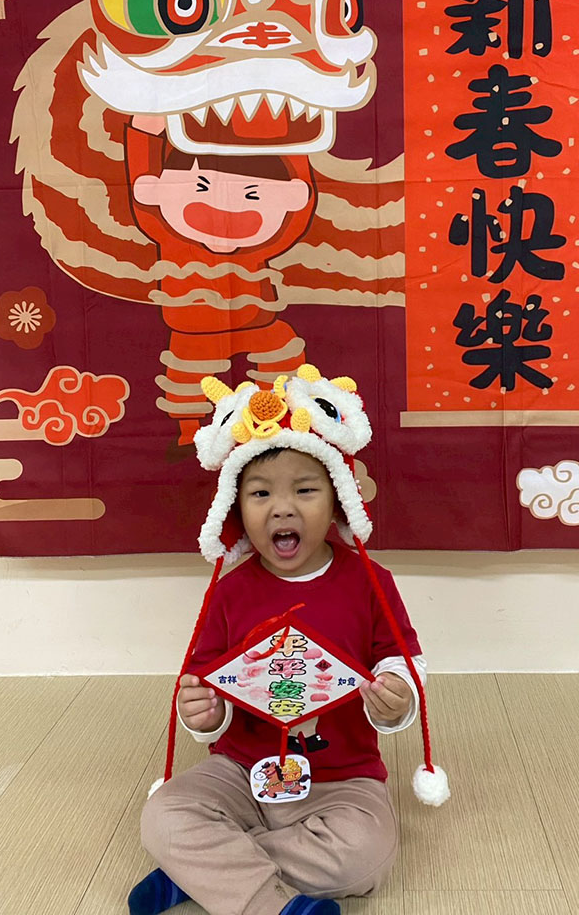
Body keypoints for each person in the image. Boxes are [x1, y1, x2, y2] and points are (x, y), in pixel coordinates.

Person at [127, 364, 448, 915]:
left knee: (365, 856)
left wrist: (398, 698)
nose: (282, 507)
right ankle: (269, 900)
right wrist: (203, 713)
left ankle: (205, 876)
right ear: (236, 507)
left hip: (342, 778)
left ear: (337, 499)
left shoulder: (370, 582)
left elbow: (401, 660)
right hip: (239, 770)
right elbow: (203, 681)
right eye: (260, 493)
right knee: (162, 815)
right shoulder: (230, 591)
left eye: (305, 489)